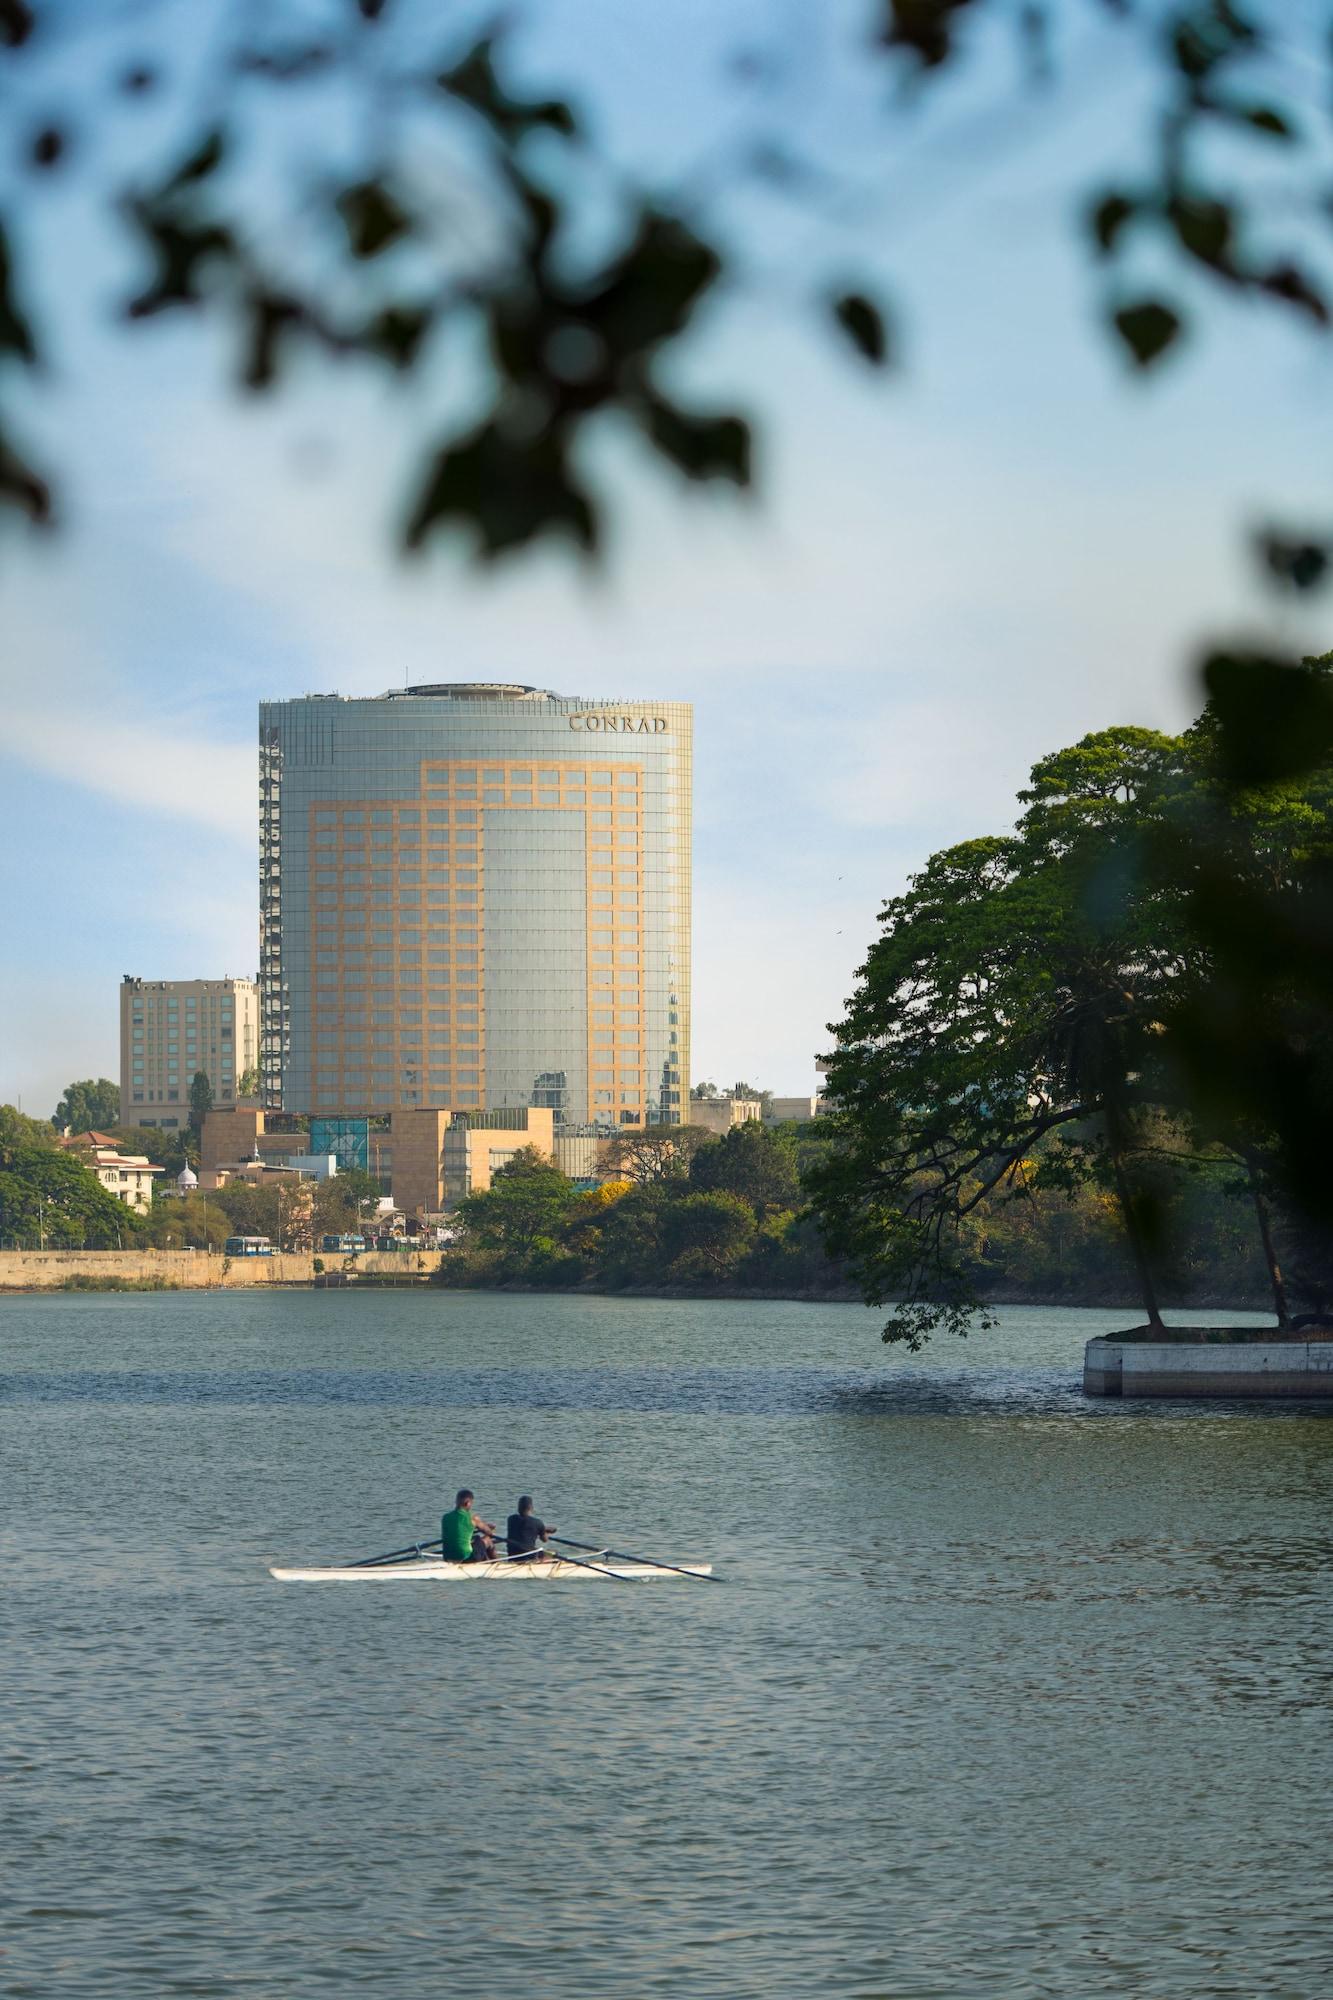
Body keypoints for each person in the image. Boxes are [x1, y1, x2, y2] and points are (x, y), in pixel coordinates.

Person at [440, 1488, 498, 1564]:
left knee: (475, 1540)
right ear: (468, 1503)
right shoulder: (472, 1517)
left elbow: (459, 1530)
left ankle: (485, 1561)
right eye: (472, 1503)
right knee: (487, 1540)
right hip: (466, 1558)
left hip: (447, 1557)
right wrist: (490, 1528)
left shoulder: (445, 1517)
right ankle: (496, 1564)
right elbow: (489, 1532)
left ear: (456, 1501)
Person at [506, 1495, 555, 1560]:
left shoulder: (511, 1519)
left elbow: (523, 1527)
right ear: (531, 1508)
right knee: (553, 1553)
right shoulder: (538, 1523)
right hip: (528, 1556)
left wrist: (542, 1529)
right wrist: (544, 1531)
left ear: (518, 1508)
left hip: (512, 1554)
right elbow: (545, 1540)